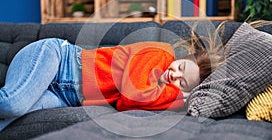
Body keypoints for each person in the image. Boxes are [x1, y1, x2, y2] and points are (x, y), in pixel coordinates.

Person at [0, 23, 225, 131]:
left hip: (64, 96)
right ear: (182, 57)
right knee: (12, 104)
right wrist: (180, 94)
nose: (174, 74)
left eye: (181, 82)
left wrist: (181, 97)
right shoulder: (159, 53)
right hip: (56, 59)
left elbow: (124, 105)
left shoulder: (161, 93)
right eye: (181, 66)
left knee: (8, 123)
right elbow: (133, 95)